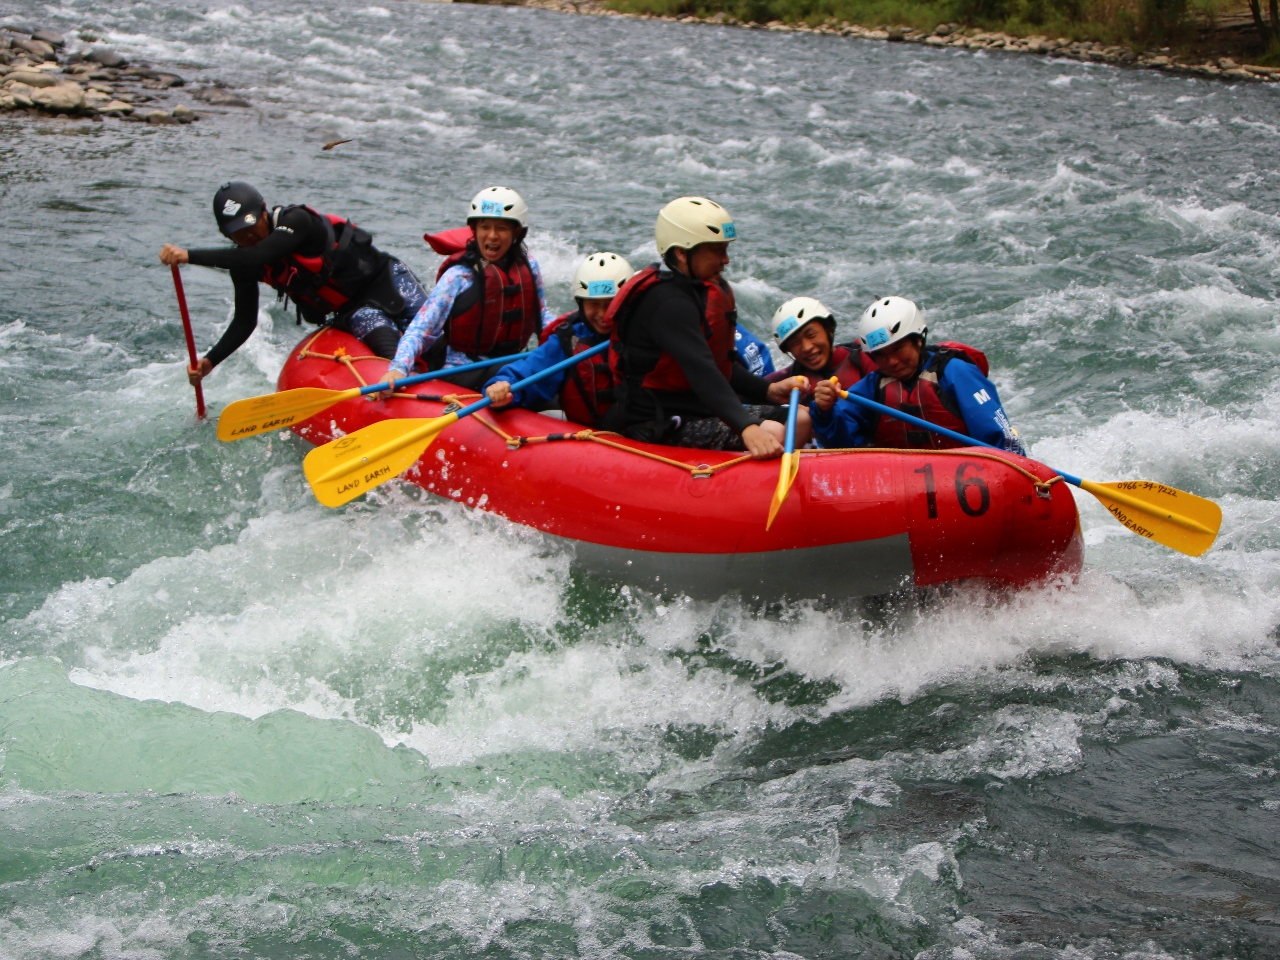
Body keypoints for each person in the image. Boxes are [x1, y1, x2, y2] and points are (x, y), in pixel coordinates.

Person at [159, 181, 427, 386]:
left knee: (437, 336)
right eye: (239, 234)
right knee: (393, 357)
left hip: (387, 280)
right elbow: (244, 321)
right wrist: (210, 360)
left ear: (264, 212)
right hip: (355, 311)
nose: (250, 236)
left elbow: (260, 254)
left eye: (252, 226)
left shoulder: (296, 220)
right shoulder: (243, 264)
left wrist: (189, 255)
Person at [601, 196, 809, 459]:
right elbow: (703, 373)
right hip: (658, 421)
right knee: (773, 433)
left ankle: (766, 491)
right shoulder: (668, 303)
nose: (726, 260)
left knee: (800, 417)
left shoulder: (699, 291)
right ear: (681, 252)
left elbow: (719, 365)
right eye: (716, 250)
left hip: (699, 408)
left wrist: (767, 390)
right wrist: (746, 428)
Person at [371, 186, 557, 394]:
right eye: (485, 227)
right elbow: (421, 329)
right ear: (474, 230)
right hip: (463, 370)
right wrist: (398, 368)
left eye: (502, 228)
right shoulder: (459, 276)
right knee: (525, 372)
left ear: (516, 233)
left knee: (553, 370)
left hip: (511, 364)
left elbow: (542, 316)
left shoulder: (529, 266)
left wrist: (568, 335)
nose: (492, 235)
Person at [811, 296, 1026, 453]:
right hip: (904, 488)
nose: (891, 362)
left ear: (919, 340)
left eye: (898, 349)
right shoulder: (872, 388)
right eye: (881, 355)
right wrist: (825, 411)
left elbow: (999, 440)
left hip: (968, 480)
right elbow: (843, 446)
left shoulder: (955, 372)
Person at [482, 252, 633, 426]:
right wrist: (500, 387)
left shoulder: (645, 332)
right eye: (593, 304)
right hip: (595, 439)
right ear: (580, 304)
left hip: (647, 433)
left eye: (611, 303)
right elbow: (525, 373)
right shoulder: (568, 340)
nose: (602, 314)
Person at [765, 296, 877, 399]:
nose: (806, 347)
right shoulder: (790, 378)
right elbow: (755, 390)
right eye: (794, 343)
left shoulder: (863, 359)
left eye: (811, 335)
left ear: (829, 330)